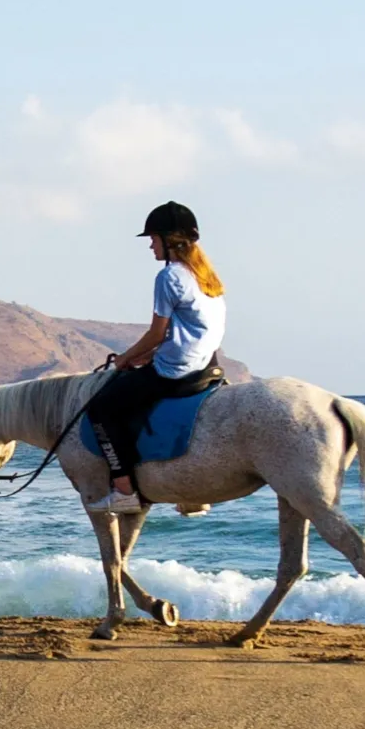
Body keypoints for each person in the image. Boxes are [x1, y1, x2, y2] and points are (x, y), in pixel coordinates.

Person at [88, 202, 229, 510]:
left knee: (101, 409)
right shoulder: (207, 278)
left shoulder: (169, 277)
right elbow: (185, 332)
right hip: (206, 363)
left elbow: (156, 332)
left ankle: (124, 491)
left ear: (169, 239)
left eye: (153, 239)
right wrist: (149, 355)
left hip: (177, 369)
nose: (150, 245)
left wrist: (126, 357)